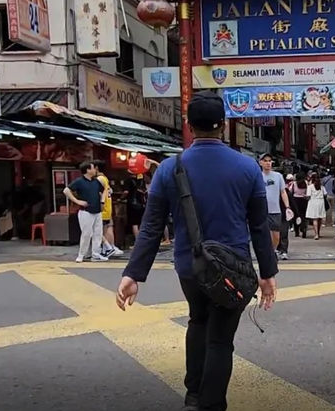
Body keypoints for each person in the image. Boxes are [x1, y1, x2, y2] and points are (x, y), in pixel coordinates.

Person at [116, 90, 278, 411]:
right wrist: (268, 275)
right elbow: (260, 227)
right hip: (233, 271)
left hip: (190, 268)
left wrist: (133, 274)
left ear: (188, 125)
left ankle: (193, 397)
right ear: (224, 125)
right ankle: (211, 404)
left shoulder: (168, 168)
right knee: (220, 339)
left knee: (197, 321)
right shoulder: (248, 169)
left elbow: (151, 227)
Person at [64, 161, 108, 263]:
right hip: (85, 211)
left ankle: (95, 255)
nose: (95, 170)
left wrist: (102, 201)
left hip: (97, 211)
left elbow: (104, 190)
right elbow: (66, 190)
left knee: (98, 233)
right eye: (93, 168)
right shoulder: (79, 181)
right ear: (88, 170)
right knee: (86, 233)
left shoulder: (96, 181)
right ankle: (81, 254)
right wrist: (77, 201)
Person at [260, 153, 291, 252]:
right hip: (262, 211)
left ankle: (273, 251)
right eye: (265, 161)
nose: (268, 163)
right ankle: (268, 253)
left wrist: (287, 207)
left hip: (275, 211)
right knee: (265, 235)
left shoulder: (278, 176)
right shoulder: (257, 176)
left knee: (276, 236)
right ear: (260, 163)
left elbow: (283, 192)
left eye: (269, 161)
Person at [93, 160, 121, 258]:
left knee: (99, 231)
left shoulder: (99, 179)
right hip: (108, 207)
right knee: (108, 228)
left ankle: (108, 248)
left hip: (102, 208)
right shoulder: (105, 178)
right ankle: (110, 247)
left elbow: (99, 193)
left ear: (96, 168)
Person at [123, 173, 147, 243]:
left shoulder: (128, 180)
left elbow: (126, 192)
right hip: (141, 204)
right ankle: (144, 239)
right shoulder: (141, 180)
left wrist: (121, 198)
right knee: (141, 222)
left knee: (134, 223)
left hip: (132, 204)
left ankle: (138, 241)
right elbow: (144, 190)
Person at [276, 173, 293, 260]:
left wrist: (294, 213)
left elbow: (292, 203)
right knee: (275, 234)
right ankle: (277, 249)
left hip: (283, 216)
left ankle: (283, 251)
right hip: (273, 215)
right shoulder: (270, 191)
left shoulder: (286, 192)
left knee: (283, 234)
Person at [305, 173, 327, 240]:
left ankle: (316, 234)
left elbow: (308, 196)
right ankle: (318, 232)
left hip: (313, 202)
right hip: (320, 202)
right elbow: (325, 194)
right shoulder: (322, 187)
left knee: (315, 219)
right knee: (319, 218)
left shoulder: (310, 187)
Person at [290, 172, 308, 238]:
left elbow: (291, 191)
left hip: (295, 200)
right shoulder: (306, 183)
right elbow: (307, 191)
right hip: (304, 200)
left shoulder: (294, 184)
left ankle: (297, 231)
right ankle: (303, 228)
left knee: (296, 216)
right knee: (303, 216)